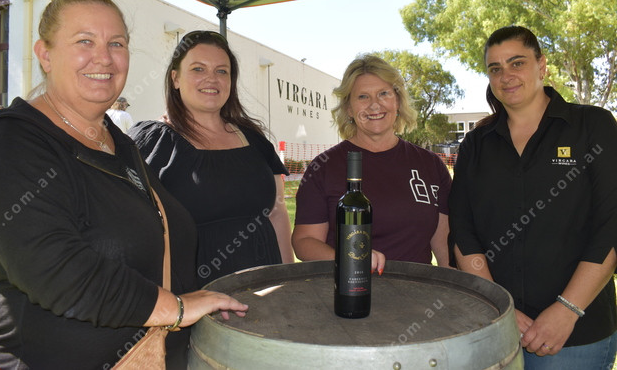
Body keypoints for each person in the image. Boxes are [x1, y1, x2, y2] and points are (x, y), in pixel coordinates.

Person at [0, 0, 248, 369]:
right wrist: (175, 308)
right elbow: (58, 273)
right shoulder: (6, 141)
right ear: (45, 55)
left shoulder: (120, 144)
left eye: (116, 44)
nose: (104, 58)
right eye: (84, 41)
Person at [449, 25, 617, 369]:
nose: (506, 76)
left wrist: (567, 310)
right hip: (495, 331)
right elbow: (464, 234)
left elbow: (611, 226)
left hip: (573, 337)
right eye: (495, 68)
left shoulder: (593, 126)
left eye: (517, 63)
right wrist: (500, 308)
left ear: (542, 65)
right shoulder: (476, 145)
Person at [129, 30, 294, 287]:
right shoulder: (153, 142)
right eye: (198, 69)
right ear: (175, 78)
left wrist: (287, 279)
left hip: (266, 289)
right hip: (194, 294)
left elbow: (277, 212)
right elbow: (133, 230)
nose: (211, 78)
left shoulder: (255, 139)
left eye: (221, 71)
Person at [292, 54, 452, 273]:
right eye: (363, 97)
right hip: (349, 289)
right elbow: (304, 241)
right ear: (349, 109)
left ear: (398, 101)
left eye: (384, 94)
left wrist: (453, 283)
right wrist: (352, 259)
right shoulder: (324, 167)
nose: (375, 105)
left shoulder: (430, 164)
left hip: (417, 291)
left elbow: (444, 244)